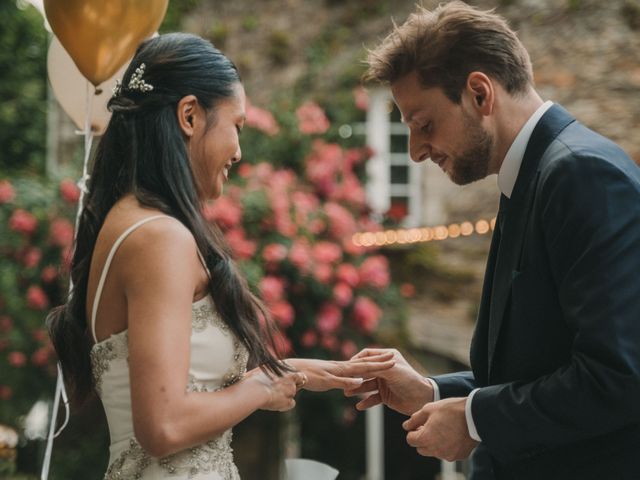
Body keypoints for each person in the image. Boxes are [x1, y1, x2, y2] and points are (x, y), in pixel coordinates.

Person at [47, 33, 394, 480]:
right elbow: (163, 425)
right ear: (189, 115)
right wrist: (262, 386)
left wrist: (298, 373)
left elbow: (185, 387)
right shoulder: (159, 237)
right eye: (237, 126)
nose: (239, 150)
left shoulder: (131, 222)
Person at [347, 2, 640, 479]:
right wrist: (432, 392)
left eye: (424, 125)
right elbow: (534, 369)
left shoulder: (580, 174)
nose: (416, 151)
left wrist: (474, 419)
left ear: (479, 93)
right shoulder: (530, 176)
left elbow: (619, 377)